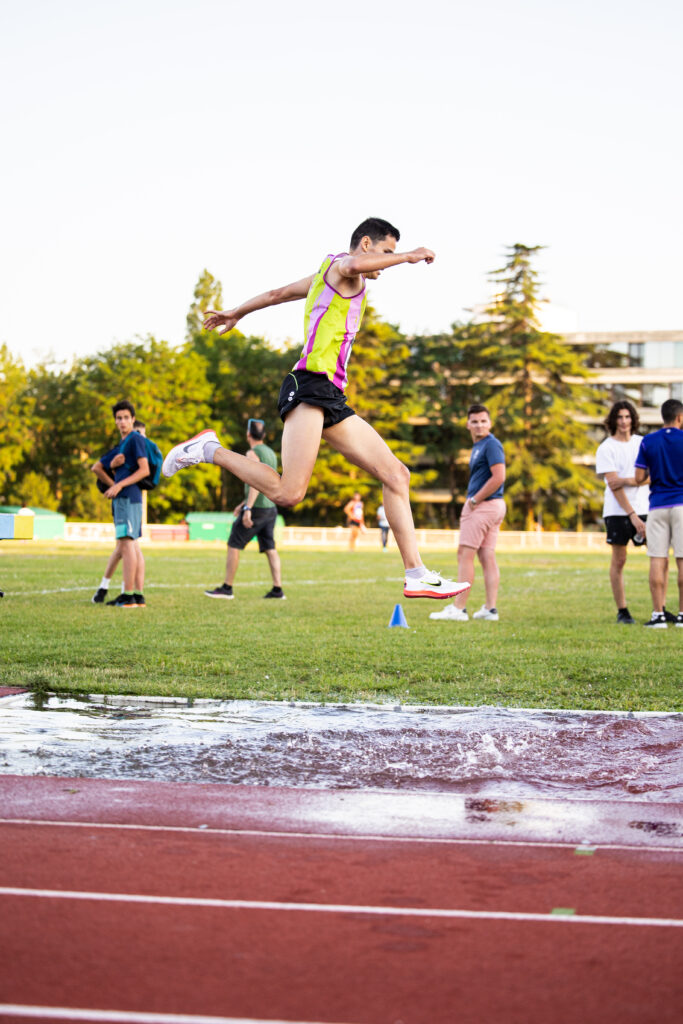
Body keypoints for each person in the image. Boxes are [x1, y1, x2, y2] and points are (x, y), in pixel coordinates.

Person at [163, 217, 469, 602]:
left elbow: (278, 293)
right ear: (367, 243)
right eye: (386, 252)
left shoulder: (329, 274)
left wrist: (237, 312)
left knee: (396, 474)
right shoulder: (342, 266)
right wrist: (408, 256)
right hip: (308, 385)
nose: (388, 261)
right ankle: (209, 450)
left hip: (331, 395)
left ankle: (416, 574)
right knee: (289, 493)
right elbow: (354, 264)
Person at [430, 404, 506, 622]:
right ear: (467, 424)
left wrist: (474, 500)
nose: (479, 425)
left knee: (465, 554)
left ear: (490, 423)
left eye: (483, 421)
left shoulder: (491, 444)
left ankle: (459, 608)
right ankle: (490, 610)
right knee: (486, 556)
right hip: (494, 506)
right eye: (475, 421)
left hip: (484, 506)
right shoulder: (480, 446)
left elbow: (499, 477)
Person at [205, 418, 285, 600]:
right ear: (264, 434)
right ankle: (277, 589)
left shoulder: (252, 452)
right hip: (270, 508)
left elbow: (256, 482)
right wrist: (243, 503)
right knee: (270, 548)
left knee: (234, 544)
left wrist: (248, 508)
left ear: (248, 434)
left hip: (257, 508)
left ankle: (227, 588)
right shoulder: (270, 453)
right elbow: (267, 482)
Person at [595, 400, 650, 624]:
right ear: (613, 420)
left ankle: (660, 609)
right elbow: (613, 485)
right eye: (619, 417)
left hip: (647, 508)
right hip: (618, 511)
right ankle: (623, 611)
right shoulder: (606, 448)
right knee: (619, 560)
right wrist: (632, 515)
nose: (624, 421)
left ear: (633, 419)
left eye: (627, 417)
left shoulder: (643, 443)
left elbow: (652, 476)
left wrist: (628, 480)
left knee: (658, 557)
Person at [90, 402, 149, 608]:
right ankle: (136, 595)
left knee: (127, 544)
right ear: (115, 421)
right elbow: (97, 468)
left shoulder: (134, 439)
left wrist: (119, 485)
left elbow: (144, 470)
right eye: (118, 418)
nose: (122, 421)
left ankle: (128, 595)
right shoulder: (122, 444)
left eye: (126, 417)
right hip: (125, 498)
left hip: (129, 498)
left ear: (133, 419)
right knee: (130, 544)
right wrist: (113, 483)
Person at [634, 398, 683, 628]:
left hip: (657, 506)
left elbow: (638, 478)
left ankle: (658, 615)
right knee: (681, 560)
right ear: (680, 417)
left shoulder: (648, 441)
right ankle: (682, 615)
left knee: (657, 558)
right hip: (681, 505)